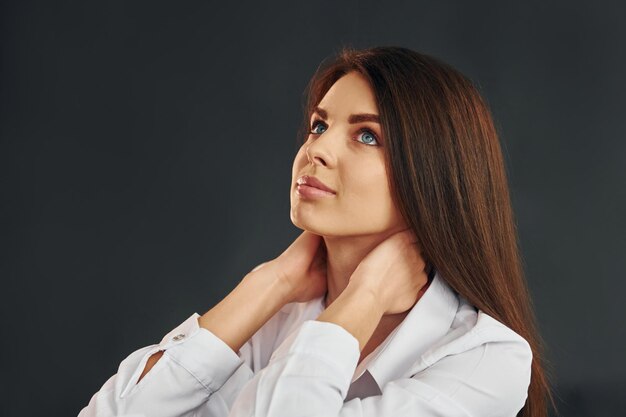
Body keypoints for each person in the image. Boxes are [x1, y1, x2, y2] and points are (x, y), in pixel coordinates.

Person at [78, 46, 553, 417]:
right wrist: (269, 284)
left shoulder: (486, 357)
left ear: (436, 175)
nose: (317, 150)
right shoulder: (276, 315)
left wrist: (364, 300)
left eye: (367, 135)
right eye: (318, 125)